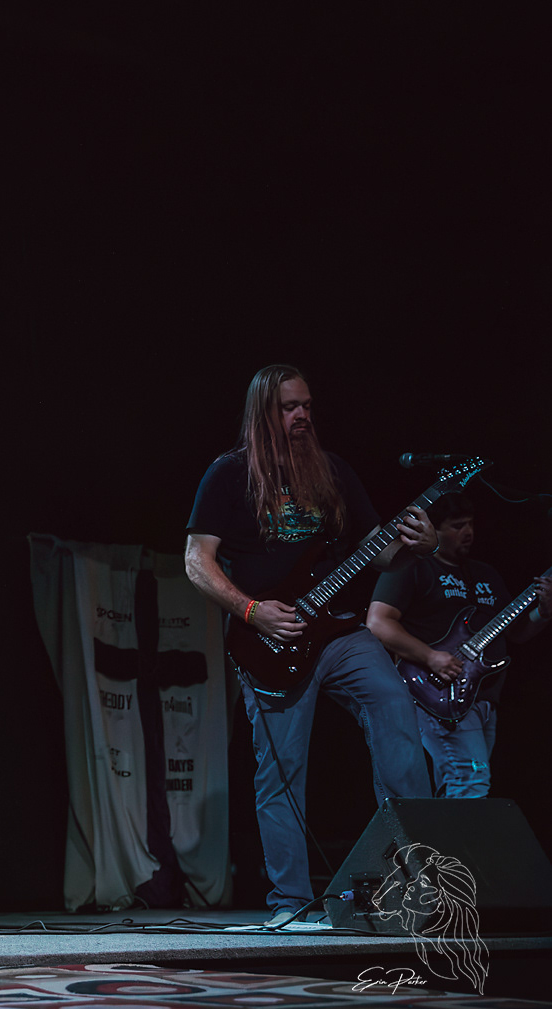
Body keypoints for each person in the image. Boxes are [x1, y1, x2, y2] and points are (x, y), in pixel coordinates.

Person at [184, 364, 437, 927]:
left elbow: (379, 551)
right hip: (271, 637)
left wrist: (419, 545)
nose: (302, 416)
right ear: (263, 411)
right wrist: (252, 610)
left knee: (395, 707)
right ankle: (290, 902)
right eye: (289, 407)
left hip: (339, 630)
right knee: (281, 773)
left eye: (307, 406)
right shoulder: (230, 474)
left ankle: (414, 880)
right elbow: (196, 561)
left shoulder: (333, 470)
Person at [366, 492, 551, 797]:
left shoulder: (485, 574)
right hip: (436, 693)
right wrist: (430, 657)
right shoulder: (413, 566)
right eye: (457, 525)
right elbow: (378, 623)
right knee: (470, 780)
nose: (468, 532)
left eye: (470, 524)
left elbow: (516, 633)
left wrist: (543, 613)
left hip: (482, 697)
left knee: (459, 786)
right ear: (434, 530)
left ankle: (442, 830)